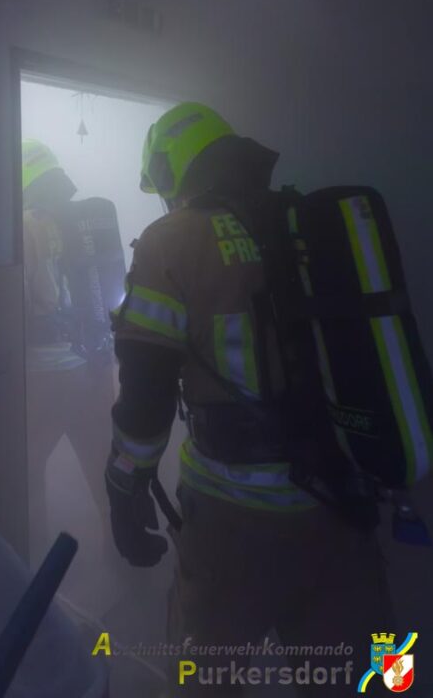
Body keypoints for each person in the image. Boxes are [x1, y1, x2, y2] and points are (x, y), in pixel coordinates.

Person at [105, 103, 396, 696]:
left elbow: (146, 394)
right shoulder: (304, 219)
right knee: (361, 681)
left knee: (204, 682)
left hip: (231, 518)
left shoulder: (171, 240)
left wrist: (125, 485)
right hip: (343, 500)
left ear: (171, 170)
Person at [21, 140, 118, 565]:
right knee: (105, 471)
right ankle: (124, 560)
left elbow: (18, 308)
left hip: (43, 374)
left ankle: (33, 573)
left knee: (27, 477)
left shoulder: (23, 225)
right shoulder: (91, 220)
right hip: (95, 365)